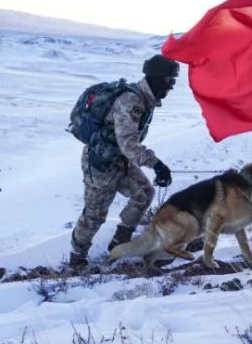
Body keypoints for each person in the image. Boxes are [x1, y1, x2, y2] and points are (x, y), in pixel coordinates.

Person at [69, 54, 178, 269]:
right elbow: (128, 144)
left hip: (119, 161)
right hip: (99, 165)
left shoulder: (144, 101)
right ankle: (76, 258)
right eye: (169, 81)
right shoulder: (131, 102)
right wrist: (157, 164)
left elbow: (125, 147)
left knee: (144, 192)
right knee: (94, 215)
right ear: (156, 79)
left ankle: (120, 241)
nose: (171, 88)